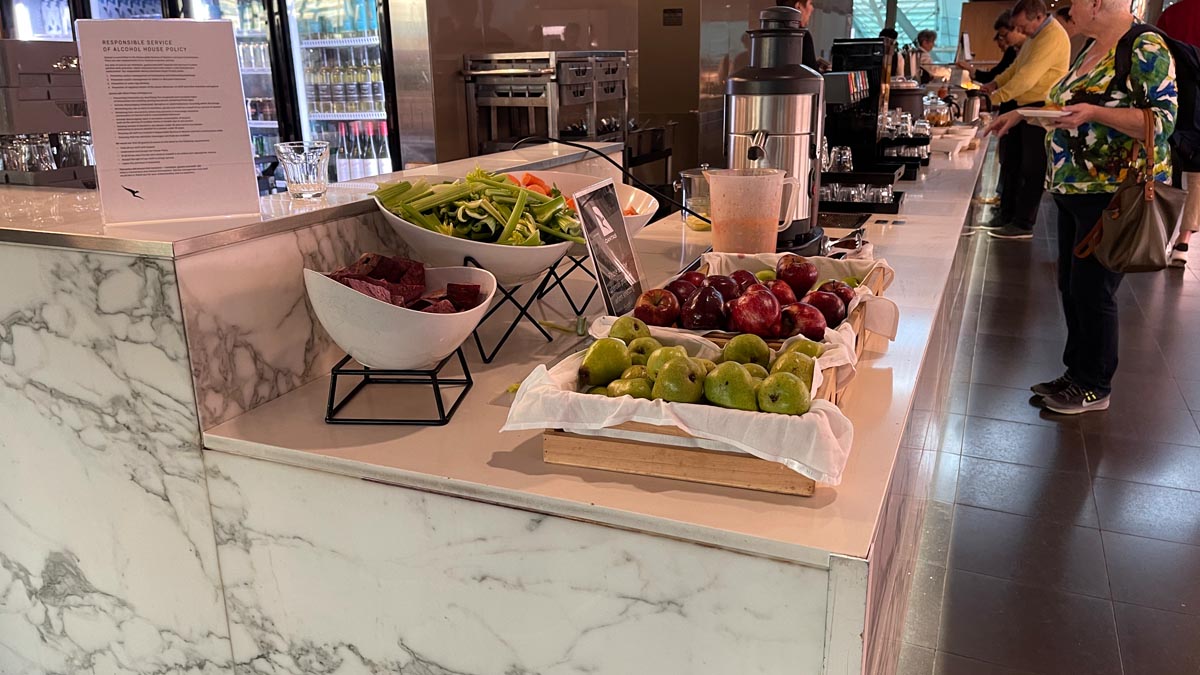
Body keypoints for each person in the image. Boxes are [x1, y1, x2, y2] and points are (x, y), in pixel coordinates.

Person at [986, 0, 1178, 413]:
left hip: (1114, 191)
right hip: (1075, 189)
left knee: (1093, 290)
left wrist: (1094, 112)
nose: (1063, 12)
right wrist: (1021, 113)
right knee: (1072, 287)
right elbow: (1064, 108)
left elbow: (1161, 122)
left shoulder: (1145, 47)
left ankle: (1096, 385)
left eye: (1070, 6)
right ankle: (1076, 372)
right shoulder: (1091, 48)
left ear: (1097, 3)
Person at [979, 0, 1070, 240]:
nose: (1020, 31)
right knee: (1012, 161)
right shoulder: (1035, 36)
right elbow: (1016, 69)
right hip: (1025, 106)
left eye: (1022, 26)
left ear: (1038, 17)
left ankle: (1023, 223)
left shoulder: (1052, 36)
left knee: (1031, 168)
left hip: (1042, 108)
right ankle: (1007, 214)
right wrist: (994, 83)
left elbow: (1027, 79)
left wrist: (996, 98)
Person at [1157, 0, 1199, 266]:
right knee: (1197, 174)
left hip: (1173, 99)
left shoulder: (1171, 13)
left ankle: (1158, 234)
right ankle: (1182, 242)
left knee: (1166, 165)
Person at [789, 0, 820, 71]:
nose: (812, 8)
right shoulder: (802, 36)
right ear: (798, 6)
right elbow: (812, 77)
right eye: (810, 3)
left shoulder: (767, 34)